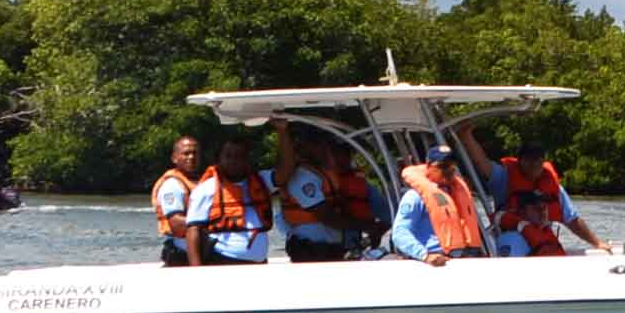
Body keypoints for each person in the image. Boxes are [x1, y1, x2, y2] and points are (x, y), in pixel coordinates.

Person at [275, 126, 379, 264]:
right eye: (320, 144)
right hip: (310, 251)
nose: (326, 149)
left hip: (329, 249)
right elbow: (327, 217)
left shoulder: (322, 174)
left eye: (326, 145)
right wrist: (370, 227)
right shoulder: (302, 177)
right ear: (305, 146)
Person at [492, 133, 605, 256]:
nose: (534, 164)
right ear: (520, 161)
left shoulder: (553, 187)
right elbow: (481, 163)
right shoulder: (503, 178)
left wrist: (597, 243)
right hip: (513, 236)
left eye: (538, 159)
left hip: (542, 242)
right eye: (529, 159)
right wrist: (467, 136)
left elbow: (572, 220)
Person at [387, 142, 492, 265]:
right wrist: (425, 255)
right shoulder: (415, 197)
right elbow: (400, 233)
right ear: (429, 166)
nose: (448, 170)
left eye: (452, 166)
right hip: (435, 262)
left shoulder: (457, 192)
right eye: (443, 166)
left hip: (463, 258)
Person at [185, 135, 279, 266]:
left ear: (246, 159)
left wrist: (282, 131)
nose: (234, 161)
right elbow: (193, 231)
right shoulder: (206, 189)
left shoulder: (262, 182)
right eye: (228, 156)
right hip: (222, 260)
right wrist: (197, 271)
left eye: (239, 156)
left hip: (259, 263)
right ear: (219, 159)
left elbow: (286, 172)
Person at [152, 134, 204, 265]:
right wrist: (215, 225)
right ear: (174, 158)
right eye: (186, 153)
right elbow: (176, 224)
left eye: (195, 153)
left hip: (205, 250)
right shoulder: (172, 185)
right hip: (183, 255)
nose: (191, 157)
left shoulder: (205, 182)